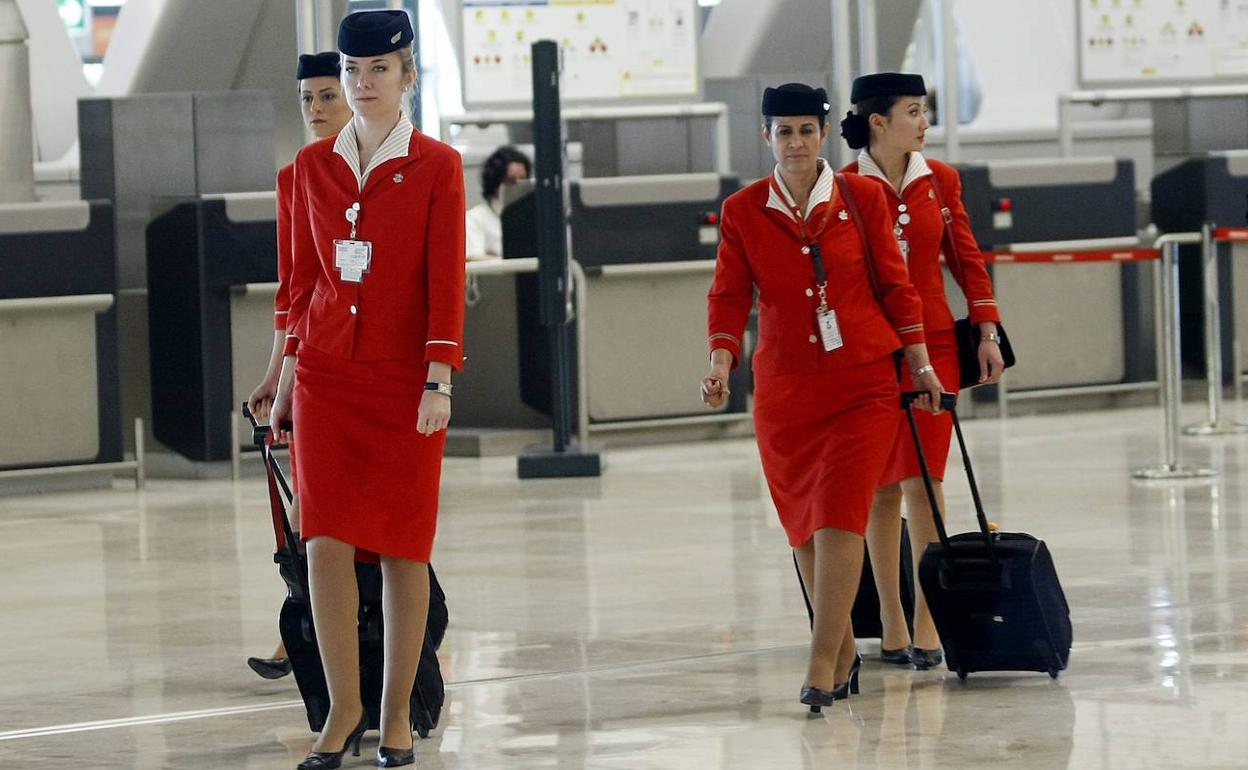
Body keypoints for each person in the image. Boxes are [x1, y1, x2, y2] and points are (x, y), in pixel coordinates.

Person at [701, 82, 943, 712]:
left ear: (825, 132)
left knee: (841, 509)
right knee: (804, 524)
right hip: (785, 391)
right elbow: (728, 295)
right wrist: (721, 359)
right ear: (767, 137)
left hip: (864, 381)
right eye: (785, 131)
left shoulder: (863, 199)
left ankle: (819, 659)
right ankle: (838, 653)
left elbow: (897, 287)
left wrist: (919, 363)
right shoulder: (744, 209)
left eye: (808, 130)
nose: (797, 143)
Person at [269, 10, 465, 769]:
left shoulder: (438, 167)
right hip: (326, 379)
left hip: (404, 382)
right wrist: (285, 383)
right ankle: (342, 708)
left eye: (378, 70)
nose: (362, 85)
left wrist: (438, 376)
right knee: (323, 544)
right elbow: (303, 282)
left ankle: (393, 715)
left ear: (407, 75)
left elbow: (446, 280)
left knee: (402, 549)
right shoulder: (309, 170)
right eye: (352, 72)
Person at [839, 72, 1004, 670]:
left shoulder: (942, 180)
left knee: (926, 484)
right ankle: (889, 619)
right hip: (873, 352)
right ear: (878, 122)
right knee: (880, 488)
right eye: (914, 111)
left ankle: (930, 623)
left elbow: (966, 257)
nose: (925, 123)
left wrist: (985, 329)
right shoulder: (843, 187)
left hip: (934, 346)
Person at [245, 50, 354, 682]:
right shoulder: (296, 178)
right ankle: (304, 624)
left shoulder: (401, 168)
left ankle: (335, 630)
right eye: (307, 99)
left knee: (361, 514)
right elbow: (295, 290)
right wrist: (274, 375)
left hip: (375, 365)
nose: (315, 110)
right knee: (309, 509)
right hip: (315, 362)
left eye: (325, 97)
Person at [465, 145, 531, 260]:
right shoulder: (475, 218)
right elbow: (473, 257)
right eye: (511, 181)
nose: (517, 187)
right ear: (495, 183)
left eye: (523, 181)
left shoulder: (532, 219)